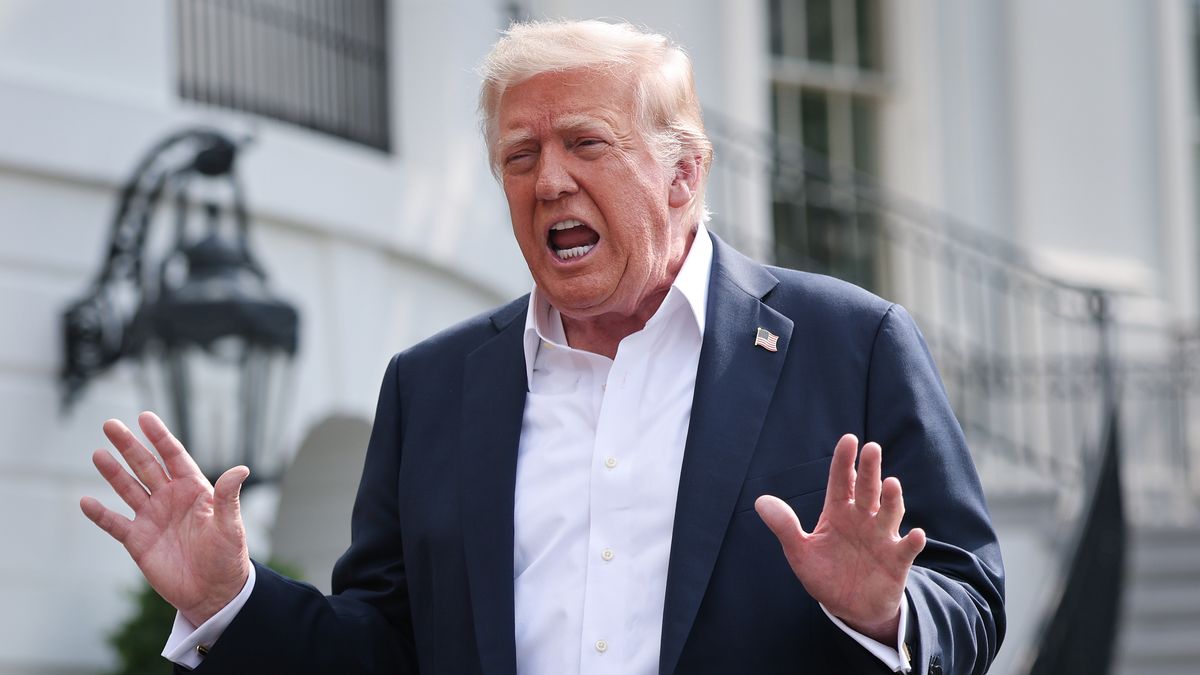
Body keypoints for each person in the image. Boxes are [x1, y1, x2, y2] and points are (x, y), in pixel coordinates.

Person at [81, 19, 1004, 675]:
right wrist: (230, 599)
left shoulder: (852, 346)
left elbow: (971, 597)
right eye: (519, 156)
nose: (549, 179)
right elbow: (387, 647)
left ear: (685, 172)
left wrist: (887, 610)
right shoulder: (432, 388)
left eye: (585, 143)